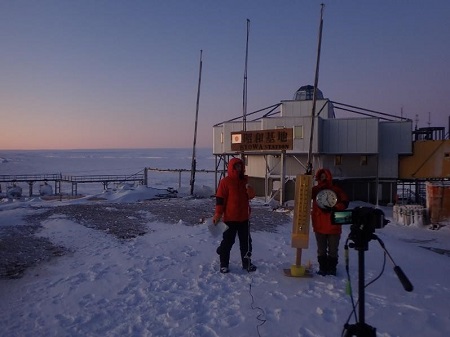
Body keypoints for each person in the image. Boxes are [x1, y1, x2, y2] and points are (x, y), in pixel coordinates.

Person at [213, 157, 257, 274]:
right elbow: (220, 200)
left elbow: (251, 196)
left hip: (244, 218)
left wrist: (250, 190)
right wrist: (218, 214)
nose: (239, 168)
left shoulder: (245, 181)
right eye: (236, 166)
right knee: (228, 242)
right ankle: (224, 264)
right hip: (230, 219)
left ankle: (247, 263)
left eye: (240, 166)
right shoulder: (225, 182)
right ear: (231, 167)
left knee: (246, 243)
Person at [311, 168, 349, 276]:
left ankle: (332, 268)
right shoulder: (315, 190)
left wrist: (335, 208)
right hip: (319, 225)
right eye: (321, 176)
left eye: (325, 176)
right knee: (321, 249)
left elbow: (345, 202)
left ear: (329, 177)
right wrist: (307, 177)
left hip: (333, 225)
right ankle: (323, 268)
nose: (323, 179)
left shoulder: (336, 190)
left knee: (333, 250)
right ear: (318, 178)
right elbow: (304, 193)